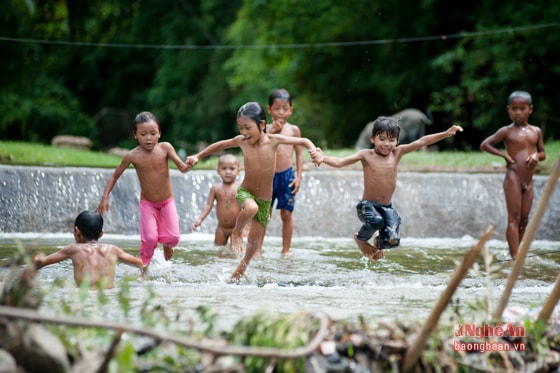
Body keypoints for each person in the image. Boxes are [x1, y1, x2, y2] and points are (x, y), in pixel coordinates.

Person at [186, 102, 319, 281]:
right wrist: (198, 156)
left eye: (247, 127)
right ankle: (236, 232)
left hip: (265, 199)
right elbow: (220, 145)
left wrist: (313, 150)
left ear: (262, 125)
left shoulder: (273, 141)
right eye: (240, 128)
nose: (243, 132)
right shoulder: (242, 141)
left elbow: (303, 141)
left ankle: (241, 269)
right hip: (245, 192)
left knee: (254, 242)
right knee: (251, 208)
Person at [314, 117, 463, 260]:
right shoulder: (366, 155)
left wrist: (445, 134)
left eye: (391, 140)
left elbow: (421, 141)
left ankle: (378, 245)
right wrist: (324, 158)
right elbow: (340, 162)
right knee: (376, 221)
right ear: (373, 139)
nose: (387, 144)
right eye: (382, 139)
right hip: (368, 207)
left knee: (393, 240)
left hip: (387, 207)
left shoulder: (397, 153)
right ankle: (360, 239)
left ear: (397, 141)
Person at [97, 111, 189, 267]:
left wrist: (190, 163)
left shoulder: (165, 148)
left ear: (159, 133)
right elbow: (114, 176)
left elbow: (182, 168)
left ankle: (166, 244)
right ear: (135, 135)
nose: (148, 138)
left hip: (167, 201)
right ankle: (144, 267)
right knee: (150, 239)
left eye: (153, 133)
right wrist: (105, 198)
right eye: (143, 134)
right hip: (148, 204)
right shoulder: (132, 156)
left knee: (173, 239)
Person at [480, 90, 546, 260]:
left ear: (530, 109)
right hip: (513, 178)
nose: (518, 112)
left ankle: (517, 252)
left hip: (528, 181)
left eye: (522, 108)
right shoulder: (507, 131)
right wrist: (504, 155)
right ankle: (515, 257)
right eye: (514, 108)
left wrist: (536, 156)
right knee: (514, 218)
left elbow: (543, 153)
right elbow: (485, 144)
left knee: (524, 220)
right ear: (508, 109)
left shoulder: (536, 131)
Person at [32, 210, 146, 289]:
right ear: (101, 234)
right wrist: (141, 278)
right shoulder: (112, 250)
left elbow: (39, 263)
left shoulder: (74, 249)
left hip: (85, 297)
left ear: (77, 231)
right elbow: (144, 264)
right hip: (108, 297)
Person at [266, 89, 304, 255]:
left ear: (291, 110)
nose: (281, 112)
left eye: (285, 108)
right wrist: (272, 131)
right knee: (263, 214)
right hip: (267, 176)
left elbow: (299, 153)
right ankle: (257, 249)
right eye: (277, 108)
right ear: (269, 109)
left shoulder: (294, 130)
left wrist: (299, 176)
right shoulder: (264, 129)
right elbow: (259, 145)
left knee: (286, 214)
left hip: (287, 176)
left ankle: (286, 250)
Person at [191, 154, 247, 247]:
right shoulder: (216, 188)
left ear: (238, 171)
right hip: (221, 228)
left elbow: (247, 206)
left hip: (236, 229)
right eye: (224, 168)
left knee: (236, 254)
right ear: (218, 171)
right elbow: (208, 205)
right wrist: (200, 219)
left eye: (232, 169)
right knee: (218, 251)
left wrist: (247, 225)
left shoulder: (240, 188)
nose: (228, 172)